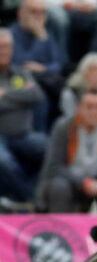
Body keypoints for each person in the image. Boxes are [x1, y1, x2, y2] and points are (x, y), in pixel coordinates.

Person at [37, 88, 97, 212]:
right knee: (59, 186)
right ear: (78, 108)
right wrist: (83, 182)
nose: (94, 112)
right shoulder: (64, 127)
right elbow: (53, 167)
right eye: (89, 107)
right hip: (70, 182)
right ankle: (59, 229)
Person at [0, 27, 48, 203]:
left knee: (50, 149)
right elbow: (27, 95)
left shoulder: (20, 71)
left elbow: (36, 95)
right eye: (1, 47)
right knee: (3, 161)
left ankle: (35, 194)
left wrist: (5, 94)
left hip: (24, 134)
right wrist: (20, 97)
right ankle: (29, 198)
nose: (4, 51)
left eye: (7, 47)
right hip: (1, 138)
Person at [11, 0, 66, 114]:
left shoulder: (46, 35)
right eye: (33, 11)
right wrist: (40, 38)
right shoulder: (11, 35)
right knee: (39, 97)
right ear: (20, 13)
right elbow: (22, 64)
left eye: (42, 12)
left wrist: (44, 68)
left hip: (45, 82)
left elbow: (58, 65)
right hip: (17, 82)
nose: (38, 16)